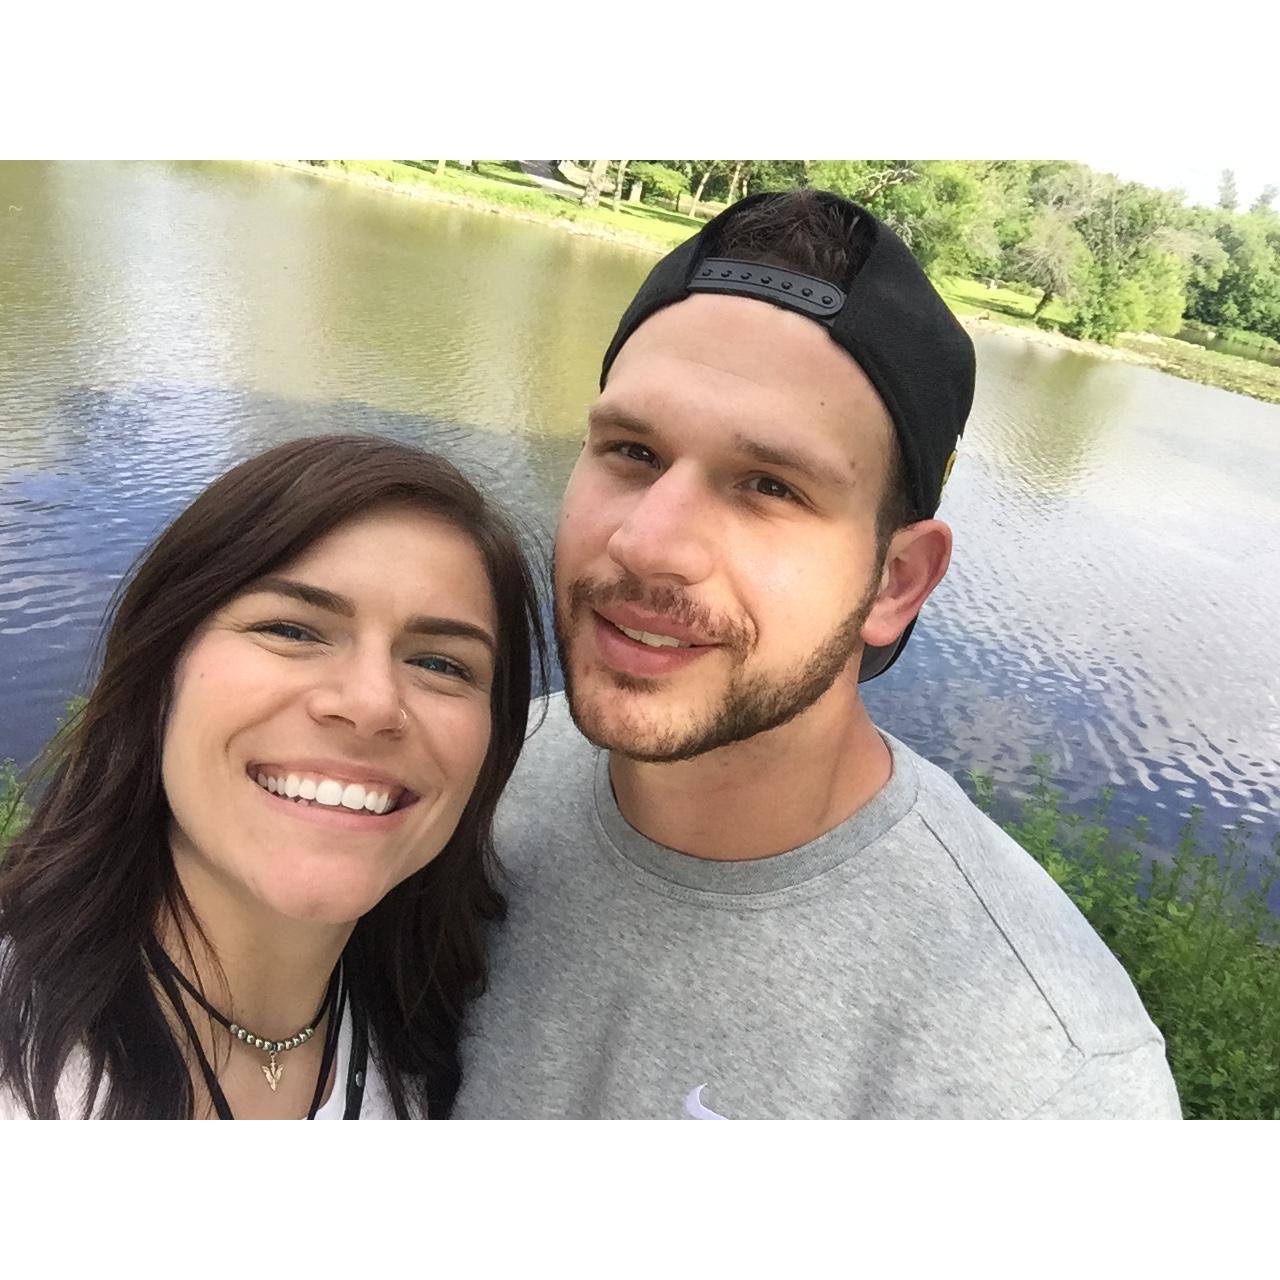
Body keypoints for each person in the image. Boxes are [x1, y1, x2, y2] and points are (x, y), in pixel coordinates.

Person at [453, 191, 1182, 1119]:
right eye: (632, 450)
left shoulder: (1038, 1083)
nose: (647, 542)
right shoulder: (480, 777)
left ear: (896, 582)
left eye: (768, 485)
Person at [0, 434, 545, 1119]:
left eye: (441, 664)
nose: (372, 704)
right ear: (158, 675)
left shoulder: (444, 1042)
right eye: (292, 629)